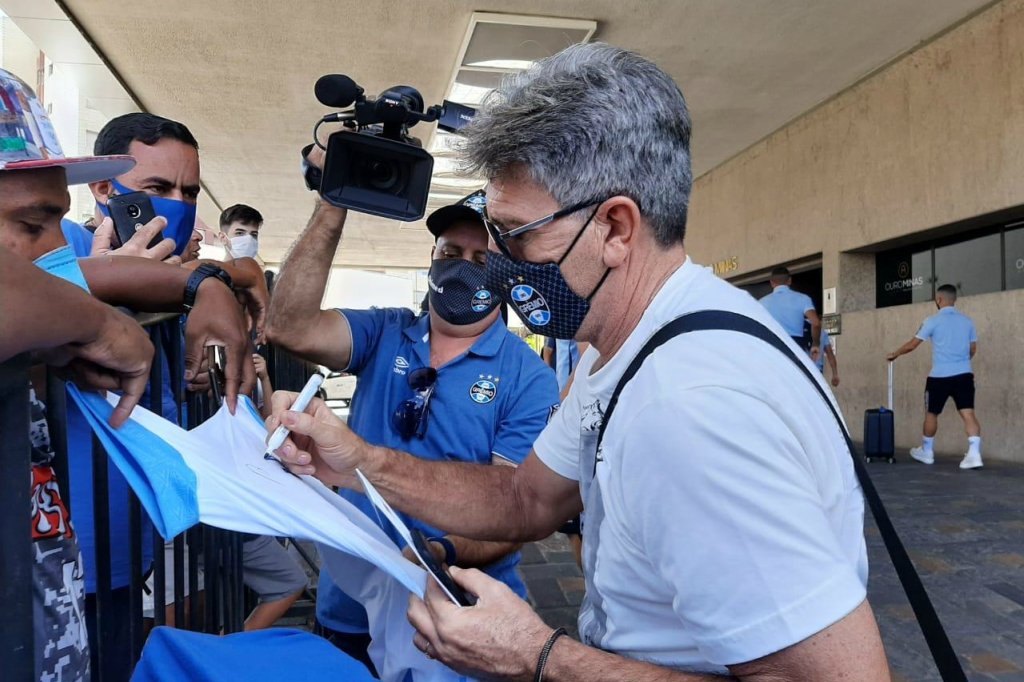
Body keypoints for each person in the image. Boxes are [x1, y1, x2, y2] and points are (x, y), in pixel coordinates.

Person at [270, 43, 889, 681]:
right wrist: (360, 463)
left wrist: (538, 657)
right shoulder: (631, 345)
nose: (499, 262)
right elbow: (525, 498)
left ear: (615, 228)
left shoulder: (689, 406)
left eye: (516, 234)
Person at [266, 185, 559, 671]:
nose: (462, 267)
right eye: (451, 253)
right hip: (350, 605)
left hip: (457, 616)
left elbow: (517, 508)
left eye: (482, 259)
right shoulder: (384, 332)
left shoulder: (529, 378)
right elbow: (289, 327)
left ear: (507, 275)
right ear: (431, 259)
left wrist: (436, 552)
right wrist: (333, 201)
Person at [887, 284, 982, 469]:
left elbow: (912, 344)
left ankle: (927, 451)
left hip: (939, 377)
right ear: (954, 299)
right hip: (964, 375)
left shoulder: (932, 320)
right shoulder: (967, 321)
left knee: (931, 414)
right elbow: (973, 349)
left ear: (938, 299)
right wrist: (961, 363)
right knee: (968, 413)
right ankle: (974, 454)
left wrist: (895, 354)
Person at [759, 266, 822, 361]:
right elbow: (816, 323)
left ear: (771, 283)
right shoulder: (803, 299)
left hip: (771, 347)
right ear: (789, 281)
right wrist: (816, 344)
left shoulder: (761, 302)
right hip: (796, 347)